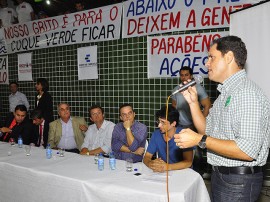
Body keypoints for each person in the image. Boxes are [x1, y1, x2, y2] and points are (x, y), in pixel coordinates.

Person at [174, 35, 270, 202]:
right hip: (222, 176)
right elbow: (207, 130)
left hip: (238, 182)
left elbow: (247, 150)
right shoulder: (225, 93)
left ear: (229, 57)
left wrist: (199, 139)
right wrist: (193, 103)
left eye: (211, 57)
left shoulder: (246, 93)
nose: (206, 63)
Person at [143, 105, 193, 172]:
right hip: (165, 172)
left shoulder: (184, 134)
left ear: (173, 123)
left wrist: (167, 167)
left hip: (183, 172)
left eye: (163, 122)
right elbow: (147, 157)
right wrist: (150, 163)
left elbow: (188, 162)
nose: (159, 125)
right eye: (159, 121)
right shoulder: (156, 134)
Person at [171, 66, 211, 130]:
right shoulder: (176, 89)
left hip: (194, 125)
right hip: (179, 125)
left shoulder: (198, 88)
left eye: (186, 75)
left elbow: (207, 105)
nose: (184, 77)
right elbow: (174, 106)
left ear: (191, 76)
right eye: (182, 75)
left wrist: (201, 122)